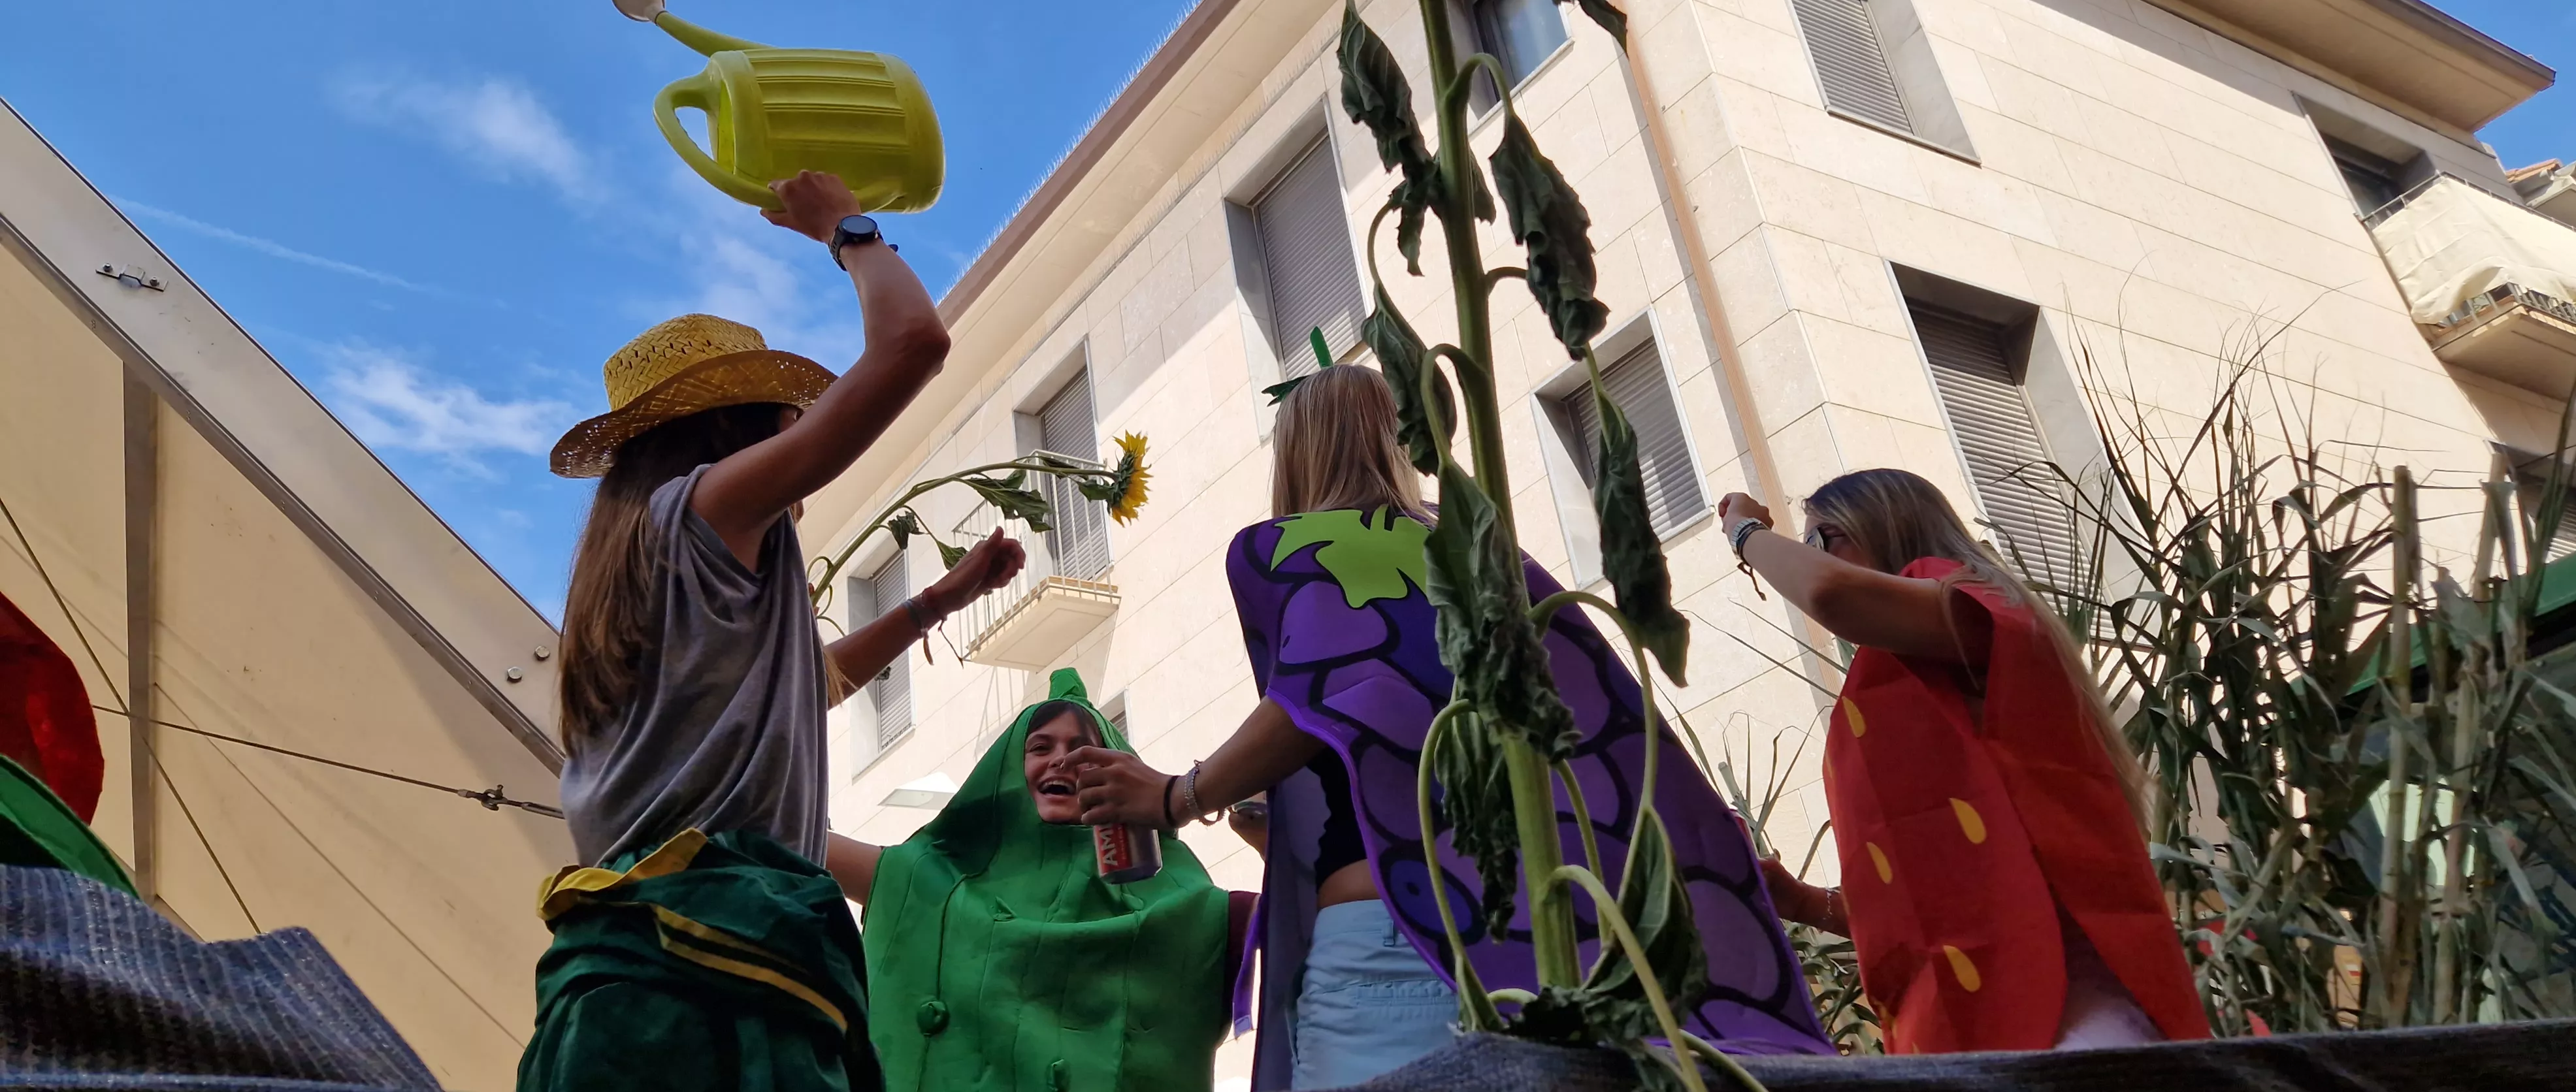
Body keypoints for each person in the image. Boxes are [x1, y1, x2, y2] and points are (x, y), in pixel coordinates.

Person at [1070, 366, 1831, 1091]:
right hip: (1550, 941)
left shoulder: (1292, 550)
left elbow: (1328, 685)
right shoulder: (1494, 559)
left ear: (1297, 455)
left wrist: (1177, 795)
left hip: (1388, 951)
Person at [520, 170, 1026, 1092]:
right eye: (782, 412)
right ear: (732, 427)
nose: (800, 424)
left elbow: (796, 686)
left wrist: (929, 607)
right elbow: (913, 344)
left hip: (620, 988)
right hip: (719, 977)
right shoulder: (707, 507)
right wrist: (848, 229)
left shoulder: (631, 563)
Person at [1716, 469, 2210, 1053]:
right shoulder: (1907, 683)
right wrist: (1803, 903)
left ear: (1884, 527)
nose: (1814, 560)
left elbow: (1832, 595)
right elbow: (1944, 905)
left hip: (2063, 1014)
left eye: (1822, 540)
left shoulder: (1977, 609)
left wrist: (1745, 531)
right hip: (1990, 1030)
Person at [847, 669, 1252, 1092]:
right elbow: (788, 833)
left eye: (1083, 750)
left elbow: (1304, 925)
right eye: (1040, 747)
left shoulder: (1191, 908)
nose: (1062, 760)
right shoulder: (929, 882)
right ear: (1005, 772)